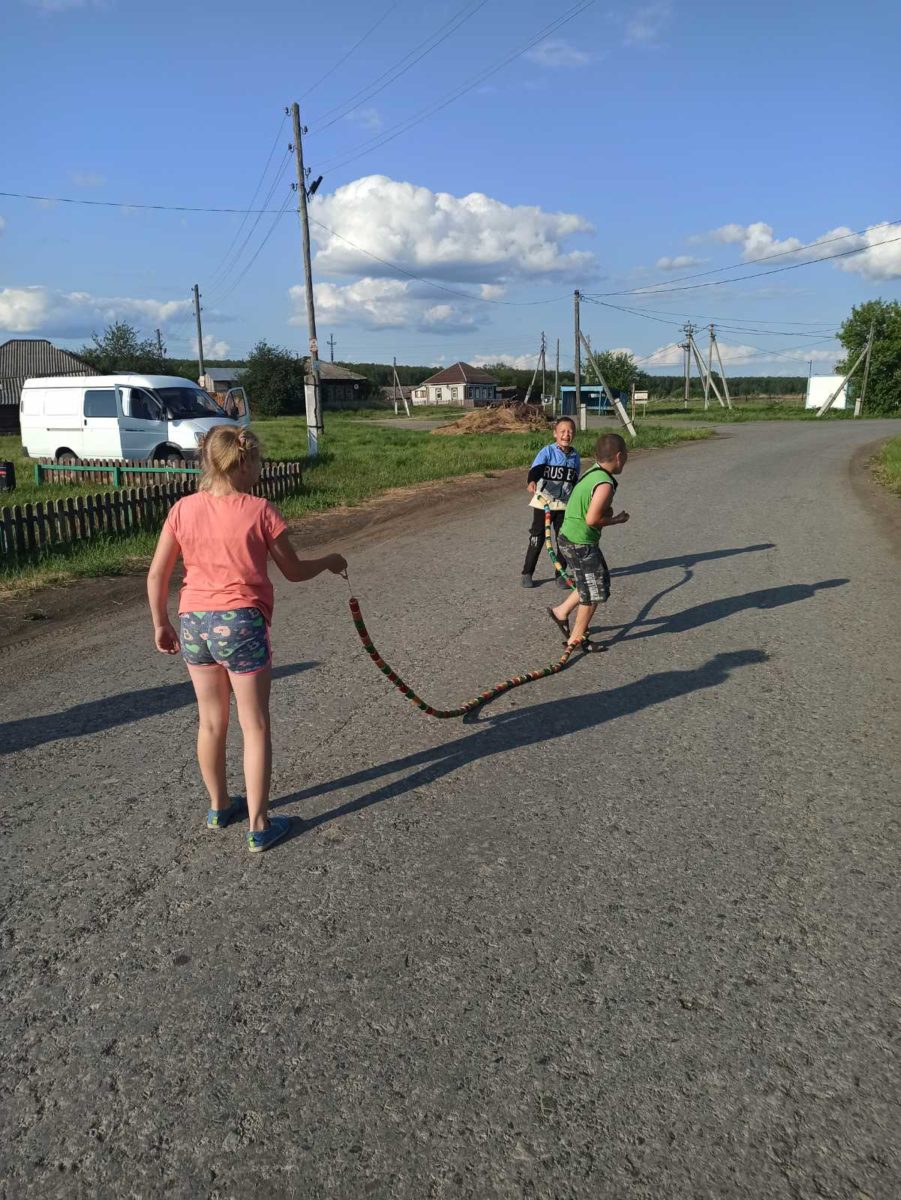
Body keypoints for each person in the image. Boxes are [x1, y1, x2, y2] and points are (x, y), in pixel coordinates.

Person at [146, 426, 347, 853]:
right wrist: (329, 561)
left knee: (211, 720)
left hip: (194, 622)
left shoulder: (182, 509)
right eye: (258, 462)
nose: (260, 468)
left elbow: (158, 573)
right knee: (253, 724)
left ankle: (219, 806)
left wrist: (160, 622)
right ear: (245, 463)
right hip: (240, 623)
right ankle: (259, 825)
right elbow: (292, 571)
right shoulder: (259, 510)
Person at [546, 432, 630, 653]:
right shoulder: (605, 483)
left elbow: (587, 505)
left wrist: (604, 511)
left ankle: (561, 612)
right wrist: (616, 519)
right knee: (593, 591)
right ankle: (576, 638)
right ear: (619, 457)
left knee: (592, 581)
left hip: (569, 537)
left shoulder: (593, 472)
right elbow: (592, 519)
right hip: (580, 543)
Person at [521, 416, 581, 588]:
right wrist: (532, 481)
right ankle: (527, 572)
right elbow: (537, 469)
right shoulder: (547, 452)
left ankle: (561, 575)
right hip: (544, 502)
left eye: (570, 431)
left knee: (564, 539)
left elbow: (575, 480)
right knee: (537, 538)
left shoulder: (575, 456)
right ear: (555, 433)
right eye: (562, 431)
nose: (566, 435)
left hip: (563, 504)